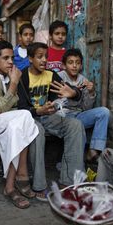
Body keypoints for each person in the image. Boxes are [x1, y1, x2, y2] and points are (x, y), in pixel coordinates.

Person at [17, 42, 86, 193]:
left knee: (75, 125)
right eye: (39, 57)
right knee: (38, 132)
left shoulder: (51, 75)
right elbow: (20, 108)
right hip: (31, 118)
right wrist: (38, 111)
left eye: (46, 57)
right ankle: (39, 185)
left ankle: (68, 181)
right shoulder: (22, 77)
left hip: (49, 116)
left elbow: (69, 90)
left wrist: (74, 93)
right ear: (30, 58)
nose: (44, 60)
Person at [0, 40, 39, 209]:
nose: (11, 62)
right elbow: (1, 106)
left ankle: (10, 186)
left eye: (12, 57)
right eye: (6, 58)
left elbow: (12, 105)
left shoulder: (14, 74)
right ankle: (22, 174)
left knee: (16, 127)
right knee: (25, 116)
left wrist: (3, 108)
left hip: (10, 120)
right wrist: (13, 83)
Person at [58, 48, 110, 161]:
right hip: (63, 116)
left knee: (104, 112)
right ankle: (71, 162)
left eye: (77, 63)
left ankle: (94, 150)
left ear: (81, 65)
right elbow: (56, 103)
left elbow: (86, 108)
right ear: (64, 65)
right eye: (70, 62)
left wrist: (91, 92)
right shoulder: (58, 77)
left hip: (78, 115)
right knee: (76, 126)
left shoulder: (83, 80)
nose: (74, 66)